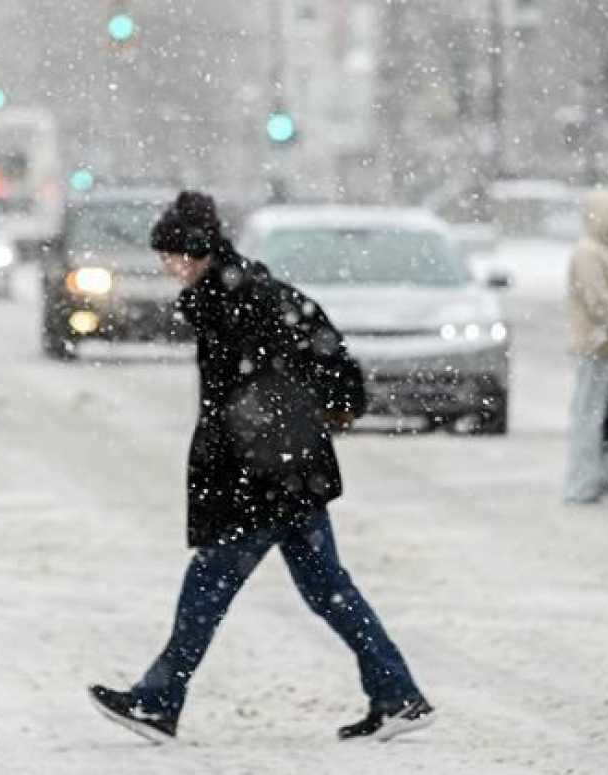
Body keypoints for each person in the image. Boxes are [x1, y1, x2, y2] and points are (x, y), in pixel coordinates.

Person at [88, 191, 433, 744]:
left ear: (193, 251)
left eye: (169, 254)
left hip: (264, 475)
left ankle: (158, 701)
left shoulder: (237, 300)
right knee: (327, 589)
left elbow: (266, 386)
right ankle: (397, 694)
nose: (164, 266)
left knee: (209, 584)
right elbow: (315, 350)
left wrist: (257, 452)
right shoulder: (239, 291)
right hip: (285, 470)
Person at [564, 190, 608, 504]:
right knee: (591, 415)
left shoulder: (599, 251)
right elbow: (599, 302)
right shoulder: (590, 253)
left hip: (603, 345)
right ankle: (584, 481)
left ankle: (597, 477)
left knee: (600, 414)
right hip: (598, 346)